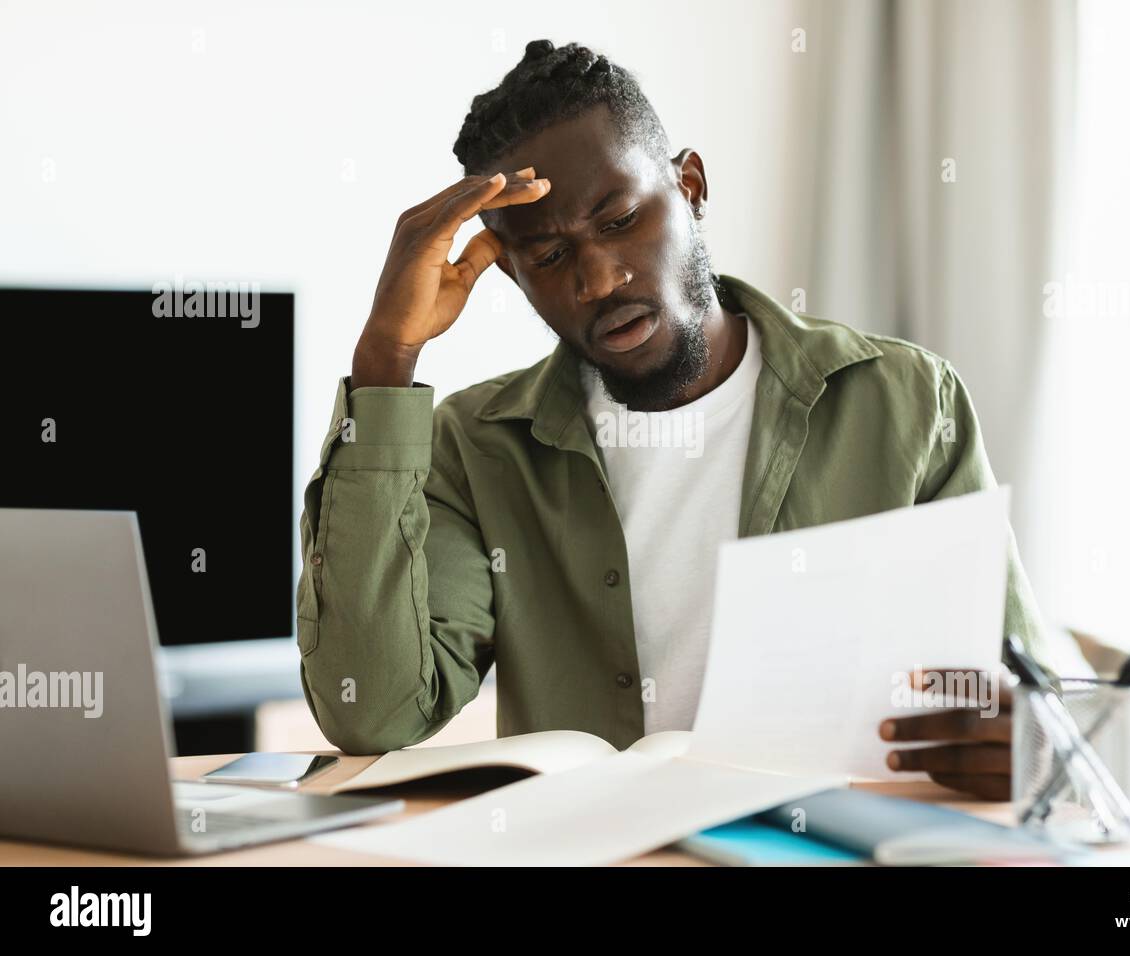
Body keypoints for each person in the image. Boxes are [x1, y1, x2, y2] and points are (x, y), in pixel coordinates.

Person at [297, 39, 1050, 800]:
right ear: (514, 277)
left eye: (620, 219)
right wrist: (387, 356)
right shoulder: (475, 447)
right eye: (549, 257)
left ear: (690, 186)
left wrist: (1031, 736)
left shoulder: (905, 401)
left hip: (839, 842)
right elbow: (376, 710)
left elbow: (1026, 698)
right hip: (592, 847)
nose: (598, 279)